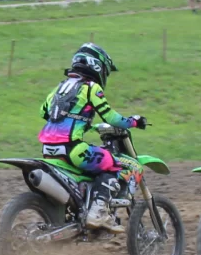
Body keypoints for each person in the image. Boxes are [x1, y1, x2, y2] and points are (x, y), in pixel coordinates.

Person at [39, 44, 145, 232]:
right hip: (73, 150)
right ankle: (98, 212)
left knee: (93, 163)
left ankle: (79, 206)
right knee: (115, 163)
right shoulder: (90, 88)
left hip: (48, 150)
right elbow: (110, 117)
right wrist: (134, 121)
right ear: (97, 66)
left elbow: (44, 112)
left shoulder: (59, 88)